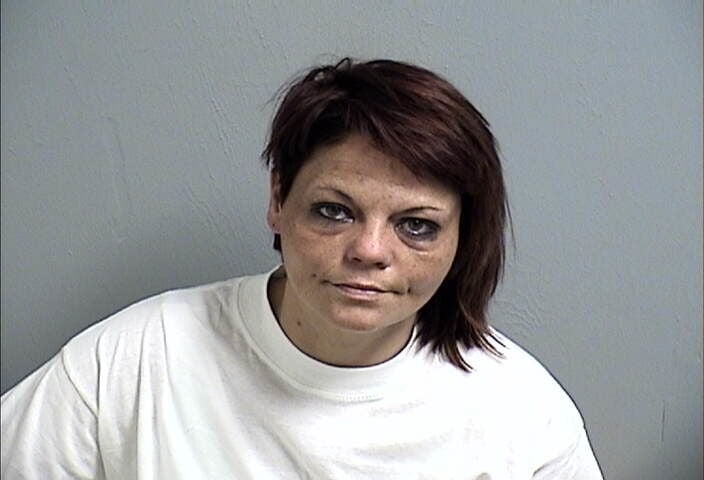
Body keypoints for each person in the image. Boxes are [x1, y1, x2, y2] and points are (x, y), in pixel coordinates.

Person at [1, 58, 603, 479]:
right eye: (334, 211)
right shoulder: (134, 360)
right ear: (278, 200)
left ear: (462, 237)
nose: (370, 250)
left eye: (416, 225)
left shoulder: (523, 412)